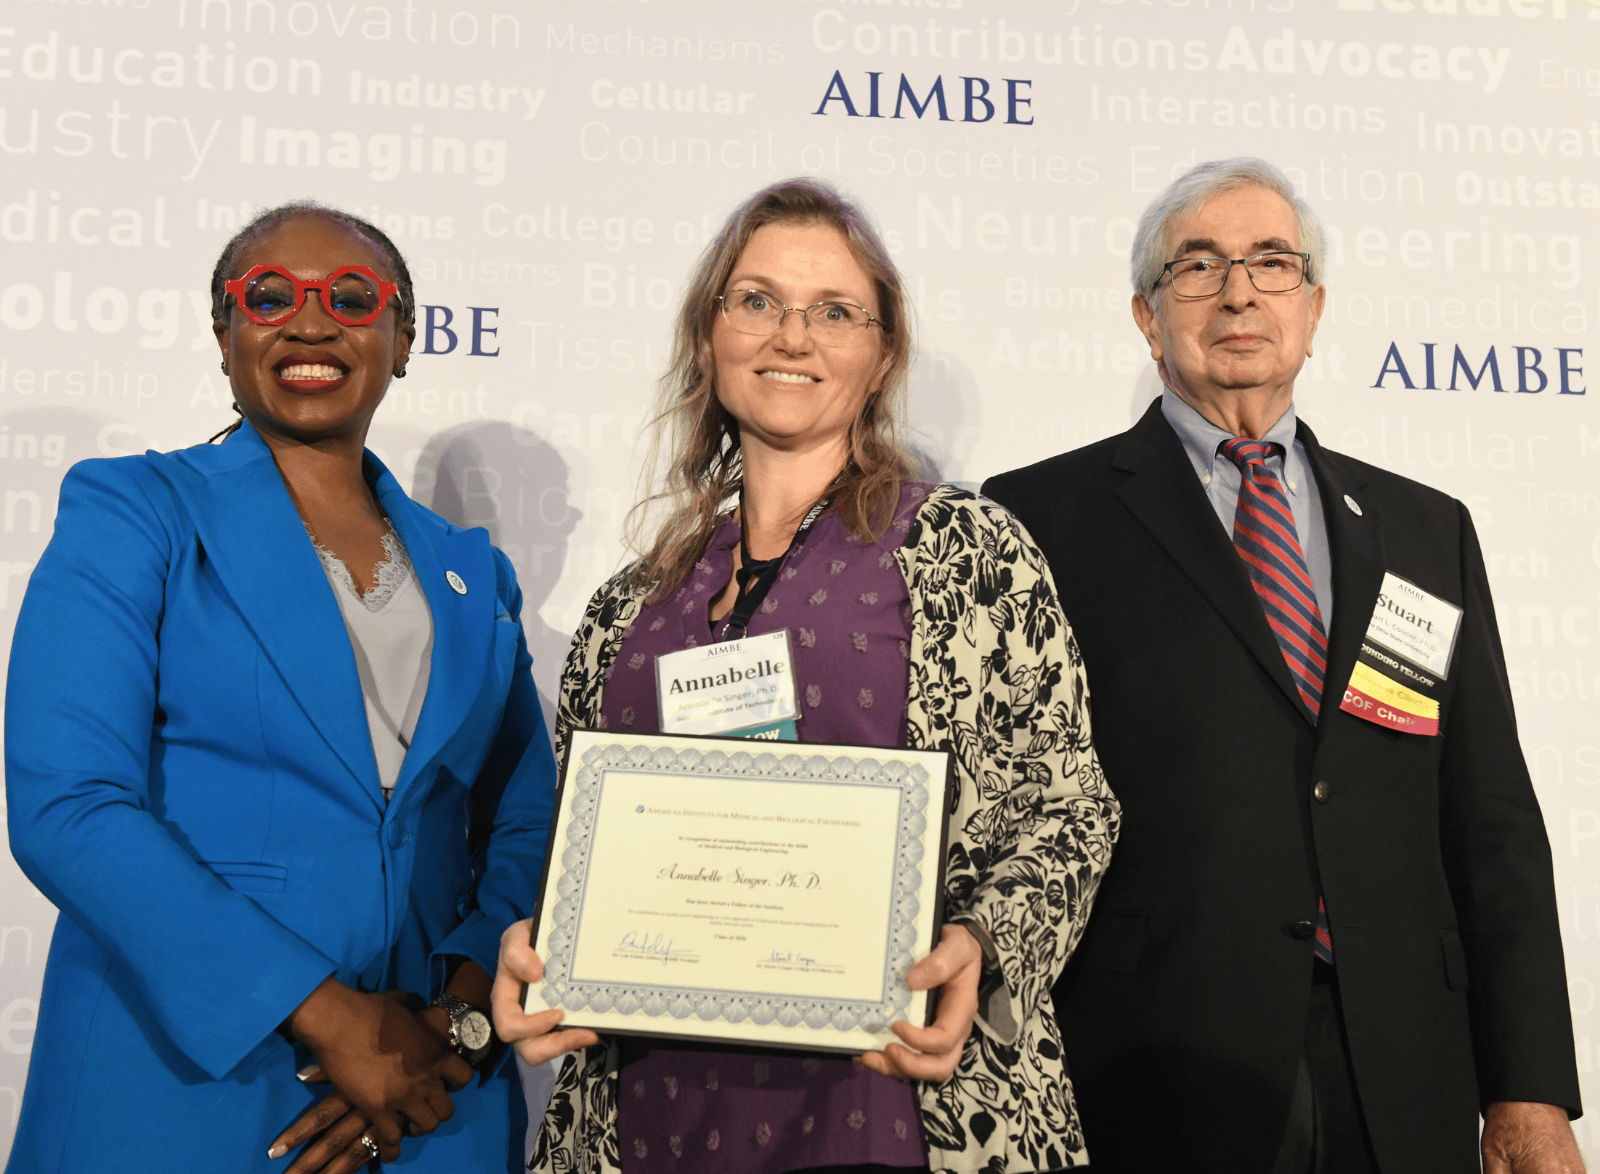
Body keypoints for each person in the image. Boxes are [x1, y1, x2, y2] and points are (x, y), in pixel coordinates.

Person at [489, 177, 1121, 1174]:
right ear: (709, 335)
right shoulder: (626, 606)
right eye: (757, 301)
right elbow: (574, 845)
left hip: (904, 1098)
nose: (792, 335)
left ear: (878, 356)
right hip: (647, 1110)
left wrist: (982, 949)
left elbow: (1067, 806)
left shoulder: (965, 549)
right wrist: (533, 946)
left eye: (834, 311)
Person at [981, 158, 1583, 1174]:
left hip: (1400, 1058)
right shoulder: (1039, 517)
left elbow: (1490, 824)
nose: (1238, 291)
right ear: (1145, 311)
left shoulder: (1425, 530)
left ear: (1313, 306)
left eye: (1271, 262)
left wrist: (1527, 1084)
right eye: (1198, 265)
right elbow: (1011, 806)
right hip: (1153, 1054)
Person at [4, 203, 557, 1173]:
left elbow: (525, 821)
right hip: (181, 1074)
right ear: (224, 335)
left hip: (431, 1094)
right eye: (270, 297)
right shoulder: (134, 510)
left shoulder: (475, 573)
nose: (310, 323)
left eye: (352, 298)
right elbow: (69, 804)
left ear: (404, 339)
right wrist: (333, 1017)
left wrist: (458, 1022)